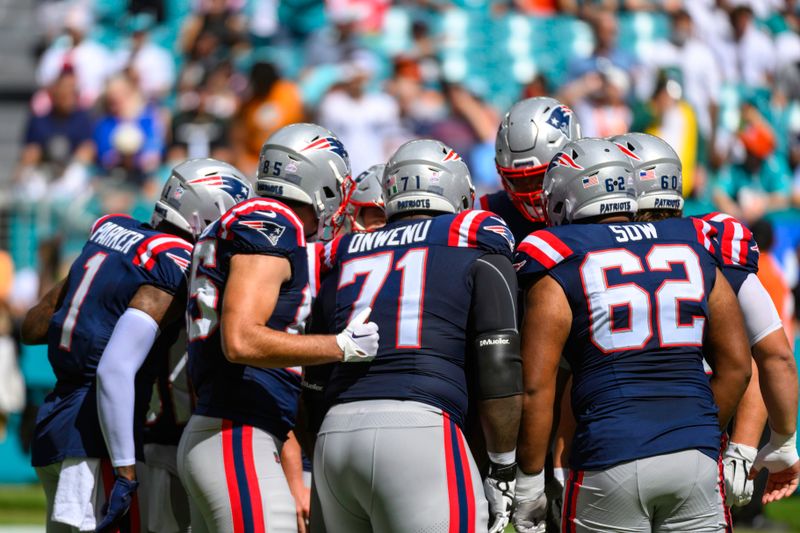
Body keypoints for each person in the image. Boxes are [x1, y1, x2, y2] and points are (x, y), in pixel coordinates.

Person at [512, 137, 752, 532]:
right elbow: (738, 366)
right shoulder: (691, 242)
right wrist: (699, 433)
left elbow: (537, 388)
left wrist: (528, 484)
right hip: (695, 455)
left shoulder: (556, 252)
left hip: (611, 455)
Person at [19, 158, 252, 533]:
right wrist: (126, 470)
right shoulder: (173, 260)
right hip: (92, 436)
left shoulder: (110, 230)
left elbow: (33, 325)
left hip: (54, 423)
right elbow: (114, 369)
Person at [177, 123, 380, 533]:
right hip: (233, 435)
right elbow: (241, 339)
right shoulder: (271, 220)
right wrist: (339, 346)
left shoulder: (258, 221)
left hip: (234, 430)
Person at [312, 139, 522, 533]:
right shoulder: (473, 234)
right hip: (420, 430)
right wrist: (504, 464)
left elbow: (313, 374)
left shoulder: (346, 250)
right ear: (459, 190)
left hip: (334, 436)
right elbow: (499, 363)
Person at [612, 132, 800, 508]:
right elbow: (769, 356)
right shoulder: (712, 240)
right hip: (695, 442)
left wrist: (544, 469)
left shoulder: (580, 249)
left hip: (610, 444)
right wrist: (758, 444)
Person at [487, 96, 581, 245]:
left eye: (541, 180)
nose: (534, 194)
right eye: (521, 182)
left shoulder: (592, 206)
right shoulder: (493, 215)